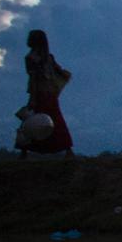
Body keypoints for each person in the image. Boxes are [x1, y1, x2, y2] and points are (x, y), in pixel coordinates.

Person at [18, 29, 74, 158]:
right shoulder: (48, 58)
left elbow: (34, 79)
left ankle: (24, 151)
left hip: (39, 94)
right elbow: (58, 72)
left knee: (30, 121)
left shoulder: (31, 58)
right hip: (50, 94)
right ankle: (68, 150)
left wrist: (32, 97)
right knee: (55, 121)